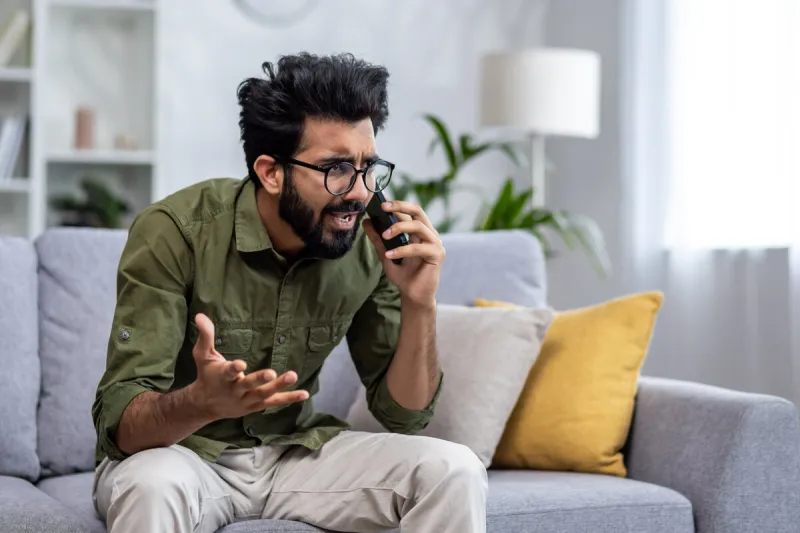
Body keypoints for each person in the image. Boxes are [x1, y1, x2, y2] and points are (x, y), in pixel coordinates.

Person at [91, 52, 488, 533]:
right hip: (182, 455)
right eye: (336, 168)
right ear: (271, 172)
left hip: (295, 456)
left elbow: (404, 416)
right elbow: (121, 425)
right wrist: (201, 401)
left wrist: (419, 302)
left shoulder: (369, 245)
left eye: (367, 166)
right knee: (151, 486)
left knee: (454, 470)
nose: (359, 191)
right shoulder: (176, 231)